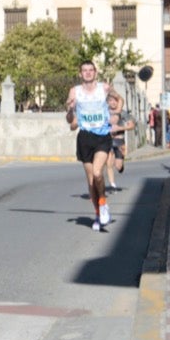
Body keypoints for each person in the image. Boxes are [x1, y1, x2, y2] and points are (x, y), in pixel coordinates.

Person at [65, 61, 114, 232]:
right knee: (91, 181)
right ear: (80, 73)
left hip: (102, 136)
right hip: (85, 137)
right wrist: (70, 110)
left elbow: (118, 100)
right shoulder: (75, 91)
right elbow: (70, 119)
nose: (87, 73)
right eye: (84, 70)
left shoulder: (105, 88)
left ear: (95, 72)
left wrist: (117, 113)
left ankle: (103, 203)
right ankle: (98, 214)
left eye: (90, 70)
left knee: (98, 172)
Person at [107, 89, 135, 191]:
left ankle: (121, 165)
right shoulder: (105, 112)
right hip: (108, 140)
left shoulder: (122, 113)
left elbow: (132, 125)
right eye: (110, 101)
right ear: (108, 102)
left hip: (119, 141)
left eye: (115, 100)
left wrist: (120, 128)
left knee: (118, 166)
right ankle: (112, 184)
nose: (113, 103)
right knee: (109, 163)